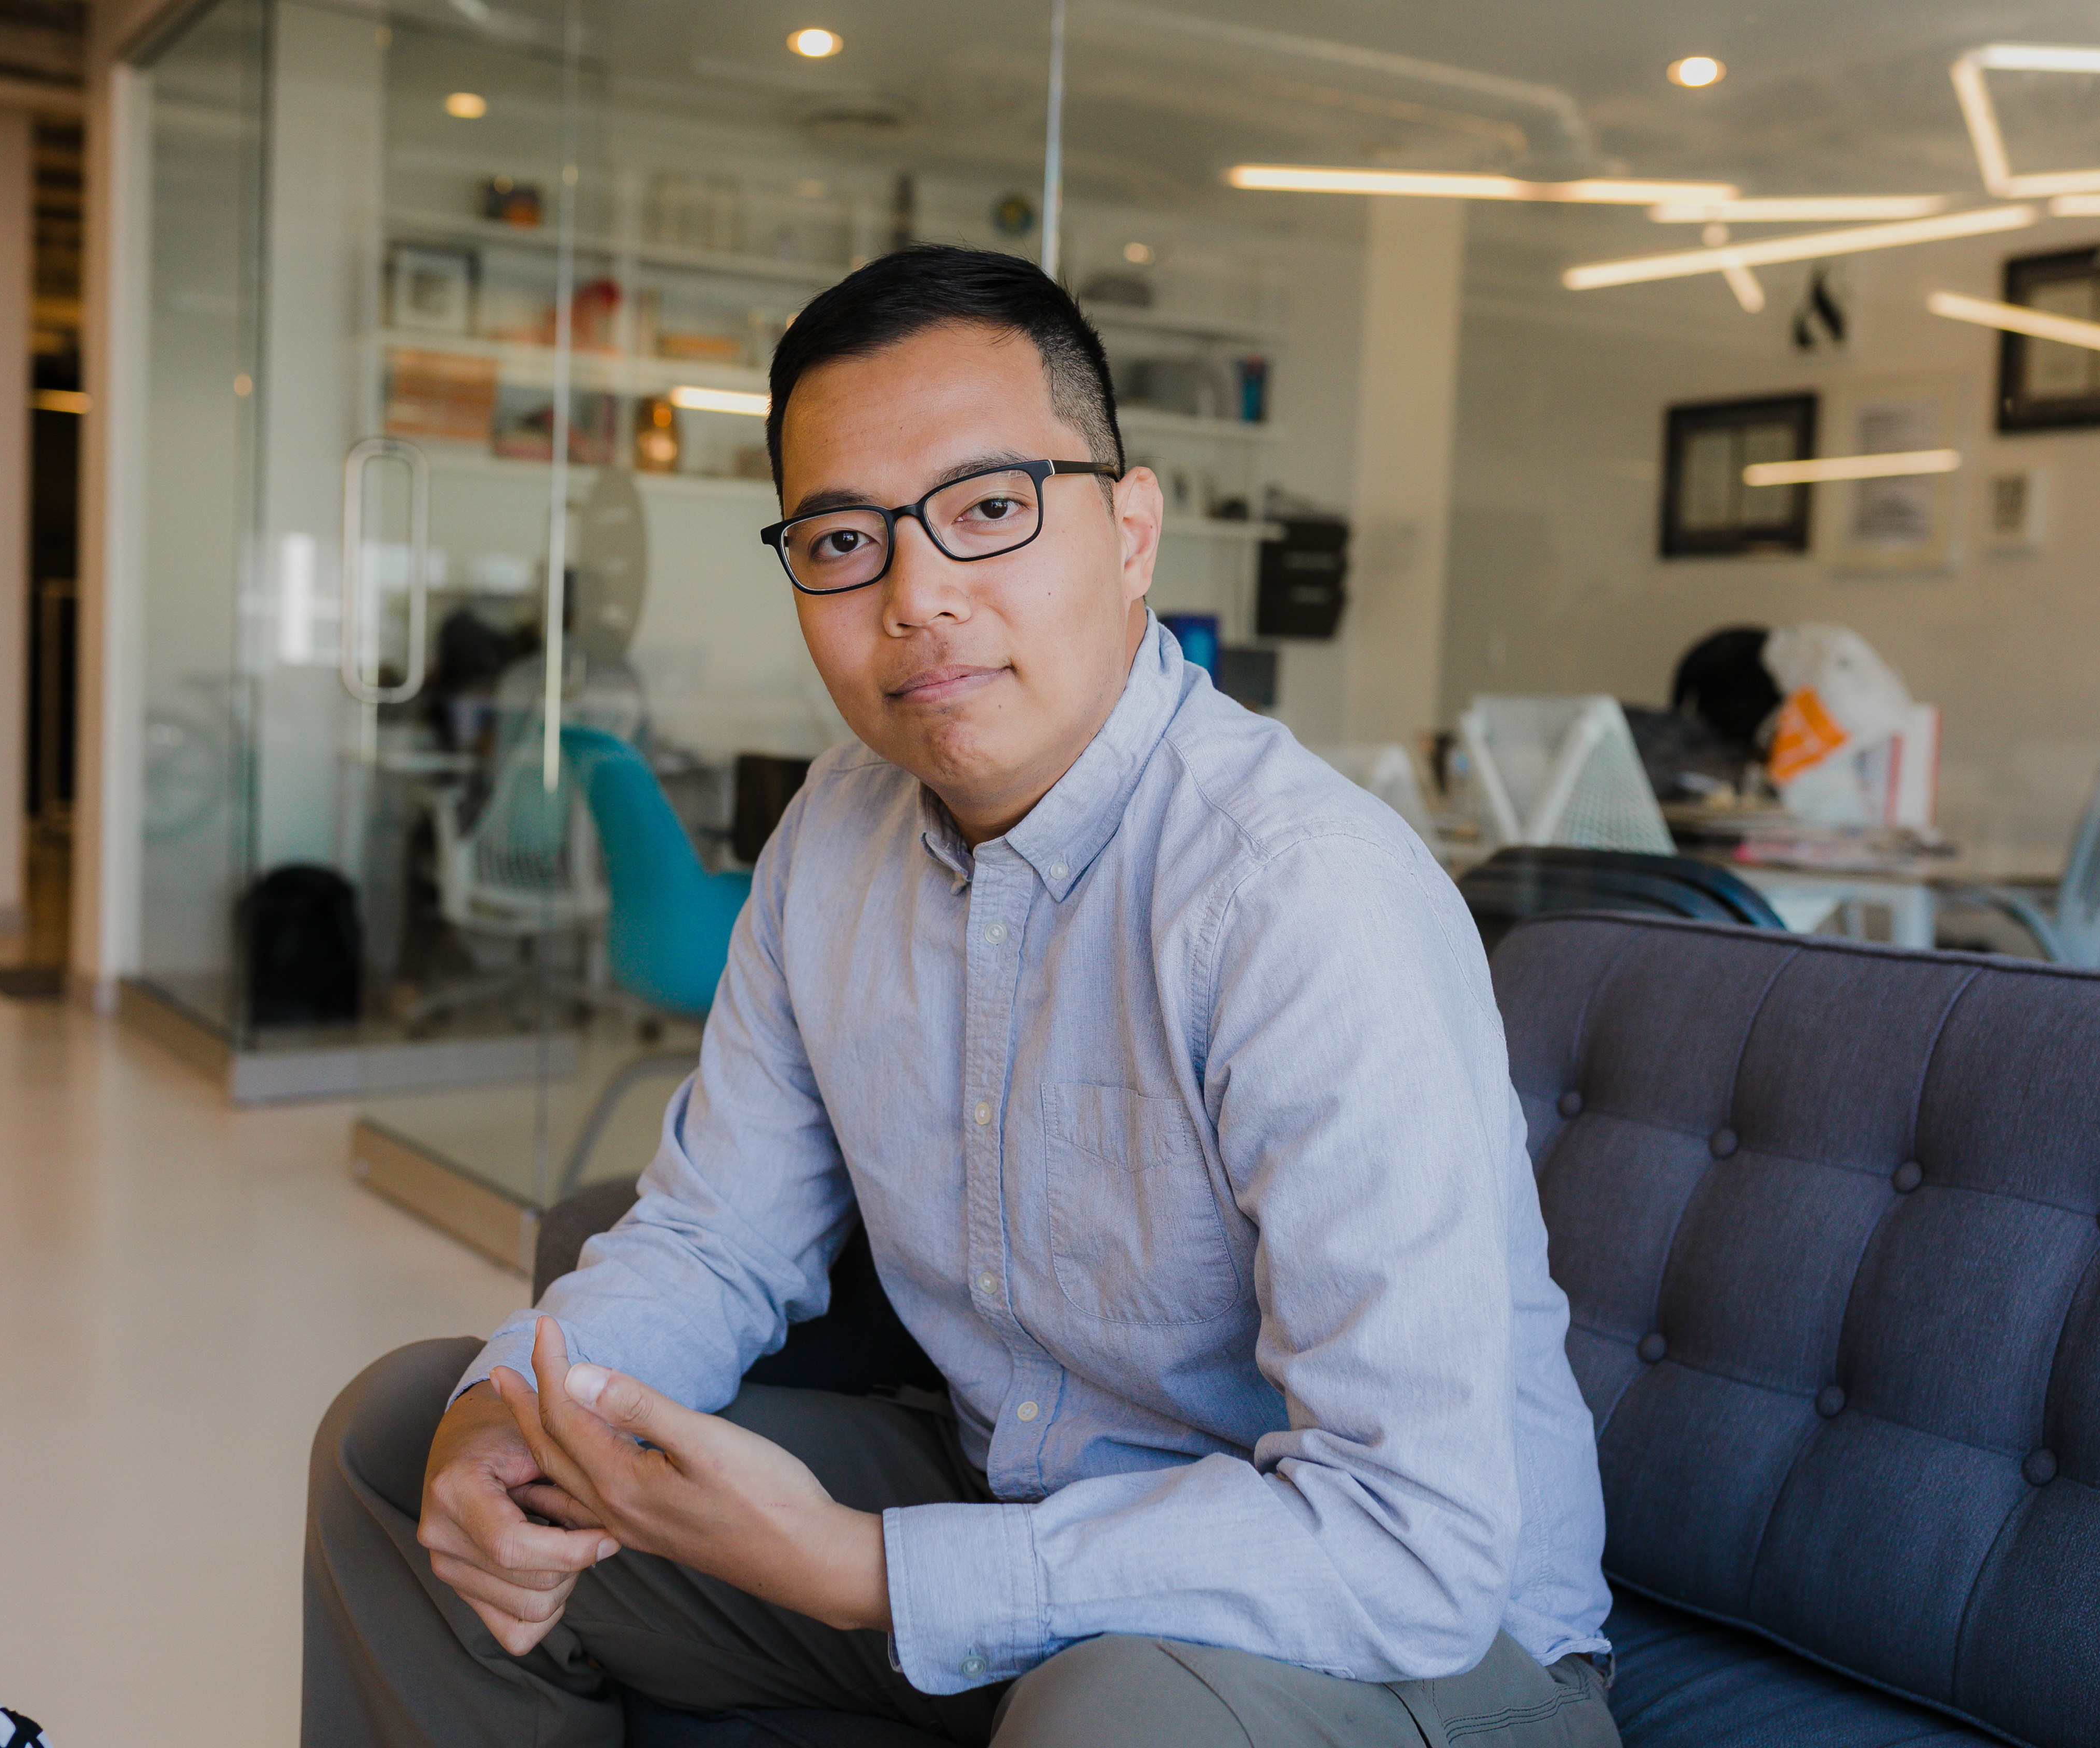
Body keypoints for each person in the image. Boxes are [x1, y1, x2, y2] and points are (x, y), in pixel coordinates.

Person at [304, 244, 1616, 1748]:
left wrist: (870, 1570)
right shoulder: (837, 832)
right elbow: (715, 1236)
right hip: (1007, 1505)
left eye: (989, 511)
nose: (917, 598)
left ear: (1131, 533)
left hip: (1407, 1643)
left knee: (1113, 1710)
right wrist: (505, 1413)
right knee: (404, 1447)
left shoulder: (1299, 893)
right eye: (844, 541)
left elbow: (1412, 1543)